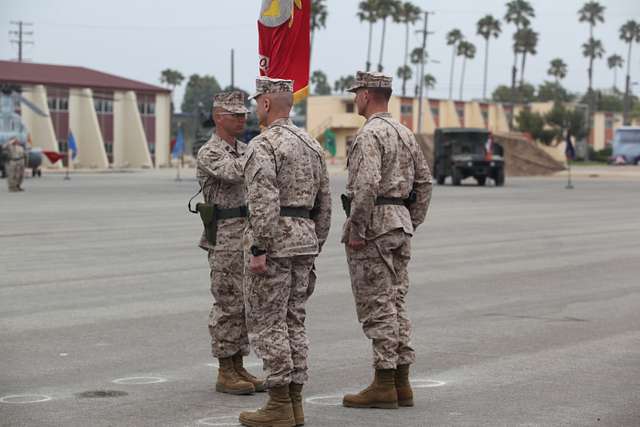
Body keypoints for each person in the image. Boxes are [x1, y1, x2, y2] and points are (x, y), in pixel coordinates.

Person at [238, 77, 332, 427]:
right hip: (304, 239)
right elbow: (325, 202)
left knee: (269, 321)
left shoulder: (263, 145)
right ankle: (295, 403)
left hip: (275, 240)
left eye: (256, 102)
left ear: (265, 104)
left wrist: (259, 246)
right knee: (295, 320)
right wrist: (316, 241)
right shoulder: (311, 143)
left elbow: (263, 200)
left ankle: (279, 404)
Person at [341, 71, 433, 410]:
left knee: (377, 304)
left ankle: (383, 383)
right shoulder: (405, 133)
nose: (355, 99)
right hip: (398, 224)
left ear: (366, 95)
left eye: (357, 93)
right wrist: (410, 219)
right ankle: (401, 382)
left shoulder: (370, 135)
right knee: (395, 302)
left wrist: (357, 229)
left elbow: (365, 186)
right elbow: (424, 184)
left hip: (375, 226)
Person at [196, 91, 265, 396]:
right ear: (218, 117)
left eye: (243, 115)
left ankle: (238, 365)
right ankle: (225, 369)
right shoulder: (210, 152)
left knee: (244, 303)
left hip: (245, 232)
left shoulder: (245, 148)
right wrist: (262, 153)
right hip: (224, 233)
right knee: (227, 302)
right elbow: (236, 173)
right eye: (234, 115)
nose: (241, 119)